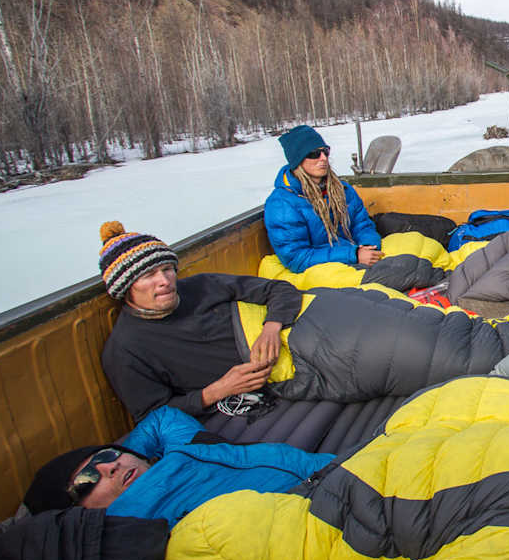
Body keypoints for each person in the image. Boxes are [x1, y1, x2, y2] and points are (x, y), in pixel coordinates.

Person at [98, 221, 302, 420]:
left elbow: (279, 289)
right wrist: (217, 391)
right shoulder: (125, 348)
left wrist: (272, 327)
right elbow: (152, 416)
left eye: (167, 269)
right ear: (125, 288)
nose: (165, 281)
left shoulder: (201, 286)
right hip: (287, 375)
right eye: (149, 275)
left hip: (300, 331)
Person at [21, 406, 332, 526]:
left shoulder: (187, 449)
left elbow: (162, 419)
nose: (110, 468)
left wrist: (133, 457)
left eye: (104, 457)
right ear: (78, 515)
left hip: (338, 470)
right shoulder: (139, 539)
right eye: (87, 481)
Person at [264, 124, 383, 272]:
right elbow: (297, 258)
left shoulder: (342, 189)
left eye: (325, 152)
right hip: (325, 269)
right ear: (297, 160)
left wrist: (368, 246)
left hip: (354, 256)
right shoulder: (282, 204)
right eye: (314, 154)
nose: (324, 158)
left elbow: (362, 225)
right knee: (405, 270)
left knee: (410, 258)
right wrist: (353, 255)